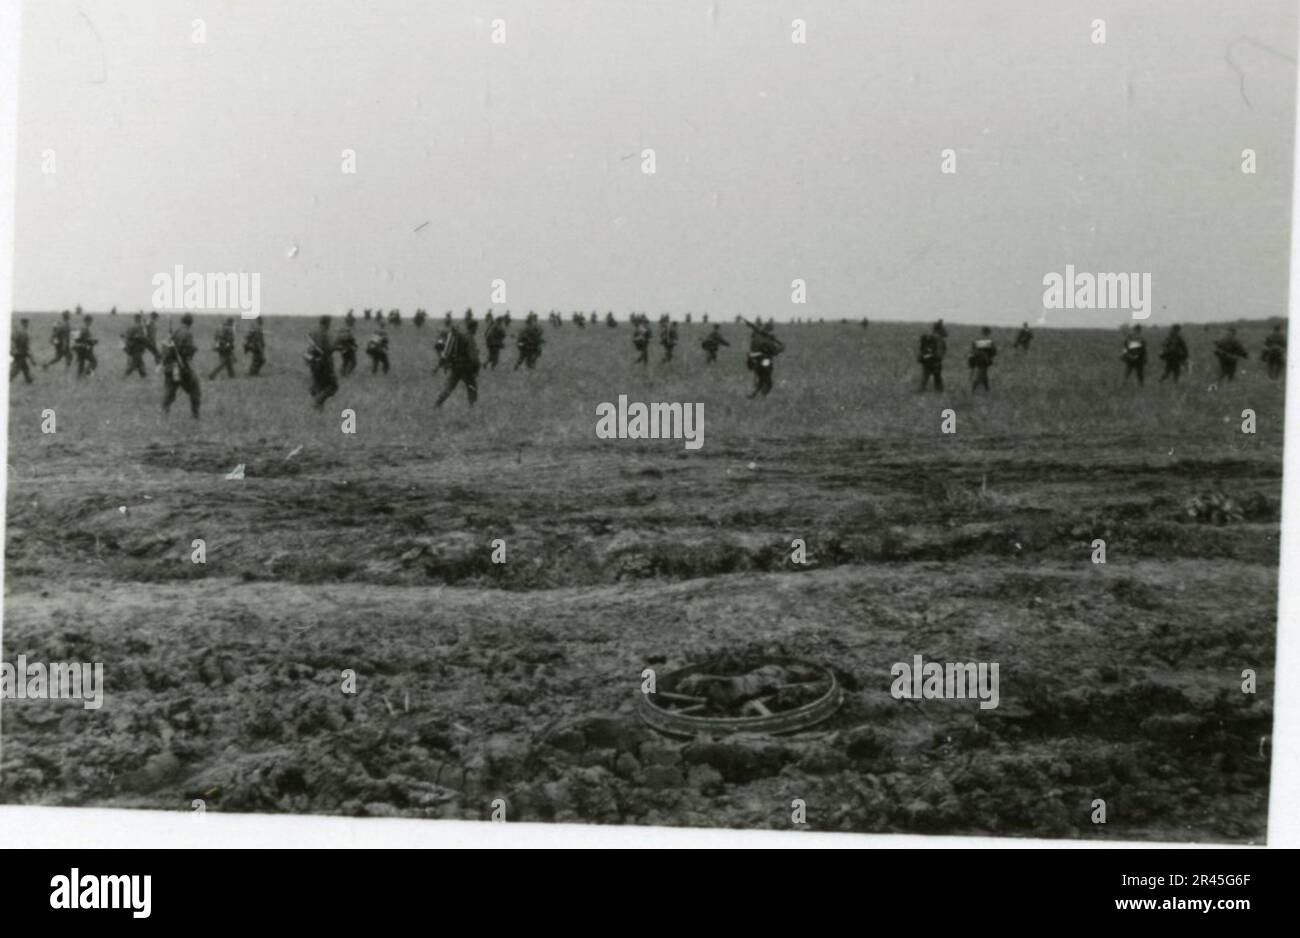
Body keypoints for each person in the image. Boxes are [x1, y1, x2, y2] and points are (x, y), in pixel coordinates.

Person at [161, 314, 201, 418]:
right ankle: (195, 415)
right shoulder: (187, 334)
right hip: (181, 368)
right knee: (195, 390)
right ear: (190, 323)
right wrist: (193, 350)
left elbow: (165, 348)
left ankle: (164, 412)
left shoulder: (174, 332)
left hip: (170, 367)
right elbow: (187, 353)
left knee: (170, 392)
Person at [434, 323, 481, 407]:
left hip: (456, 366)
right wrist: (477, 367)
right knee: (471, 386)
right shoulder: (469, 338)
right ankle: (472, 406)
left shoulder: (462, 336)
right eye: (476, 328)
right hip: (466, 368)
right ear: (473, 328)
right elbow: (473, 356)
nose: (476, 330)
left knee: (449, 386)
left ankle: (438, 402)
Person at [745, 318, 785, 397]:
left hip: (754, 363)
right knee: (769, 383)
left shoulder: (755, 338)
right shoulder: (767, 341)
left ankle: (753, 394)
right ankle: (762, 397)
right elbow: (775, 351)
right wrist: (782, 348)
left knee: (761, 380)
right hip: (765, 363)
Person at [306, 315, 339, 408]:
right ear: (327, 323)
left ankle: (319, 411)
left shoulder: (312, 332)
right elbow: (327, 350)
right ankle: (317, 401)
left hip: (313, 362)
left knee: (320, 386)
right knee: (333, 386)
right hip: (324, 364)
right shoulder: (324, 333)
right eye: (330, 323)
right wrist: (336, 345)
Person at [918, 323, 946, 391]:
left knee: (924, 379)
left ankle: (920, 393)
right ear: (940, 329)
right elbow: (940, 352)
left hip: (926, 360)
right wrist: (938, 361)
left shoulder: (929, 337)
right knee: (938, 380)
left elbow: (921, 348)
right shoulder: (939, 339)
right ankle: (939, 396)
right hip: (935, 362)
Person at [968, 327, 997, 392]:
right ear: (988, 333)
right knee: (980, 376)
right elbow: (994, 352)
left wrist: (971, 364)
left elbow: (971, 353)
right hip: (984, 361)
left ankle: (986, 389)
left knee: (984, 375)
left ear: (982, 332)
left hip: (977, 361)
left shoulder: (976, 341)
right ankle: (973, 391)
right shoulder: (989, 342)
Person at [123, 312, 150, 378]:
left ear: (134, 319)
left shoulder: (131, 326)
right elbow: (140, 337)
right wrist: (146, 341)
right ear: (140, 319)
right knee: (134, 362)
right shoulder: (139, 327)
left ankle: (143, 375)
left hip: (130, 346)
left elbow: (126, 336)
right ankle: (125, 375)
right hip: (137, 347)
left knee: (140, 361)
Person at [10, 317, 34, 383]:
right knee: (16, 369)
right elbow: (26, 346)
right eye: (26, 323)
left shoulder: (17, 330)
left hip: (16, 352)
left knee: (25, 367)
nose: (27, 325)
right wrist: (31, 357)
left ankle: (29, 380)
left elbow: (12, 339)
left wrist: (13, 350)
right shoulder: (24, 333)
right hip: (20, 353)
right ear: (24, 323)